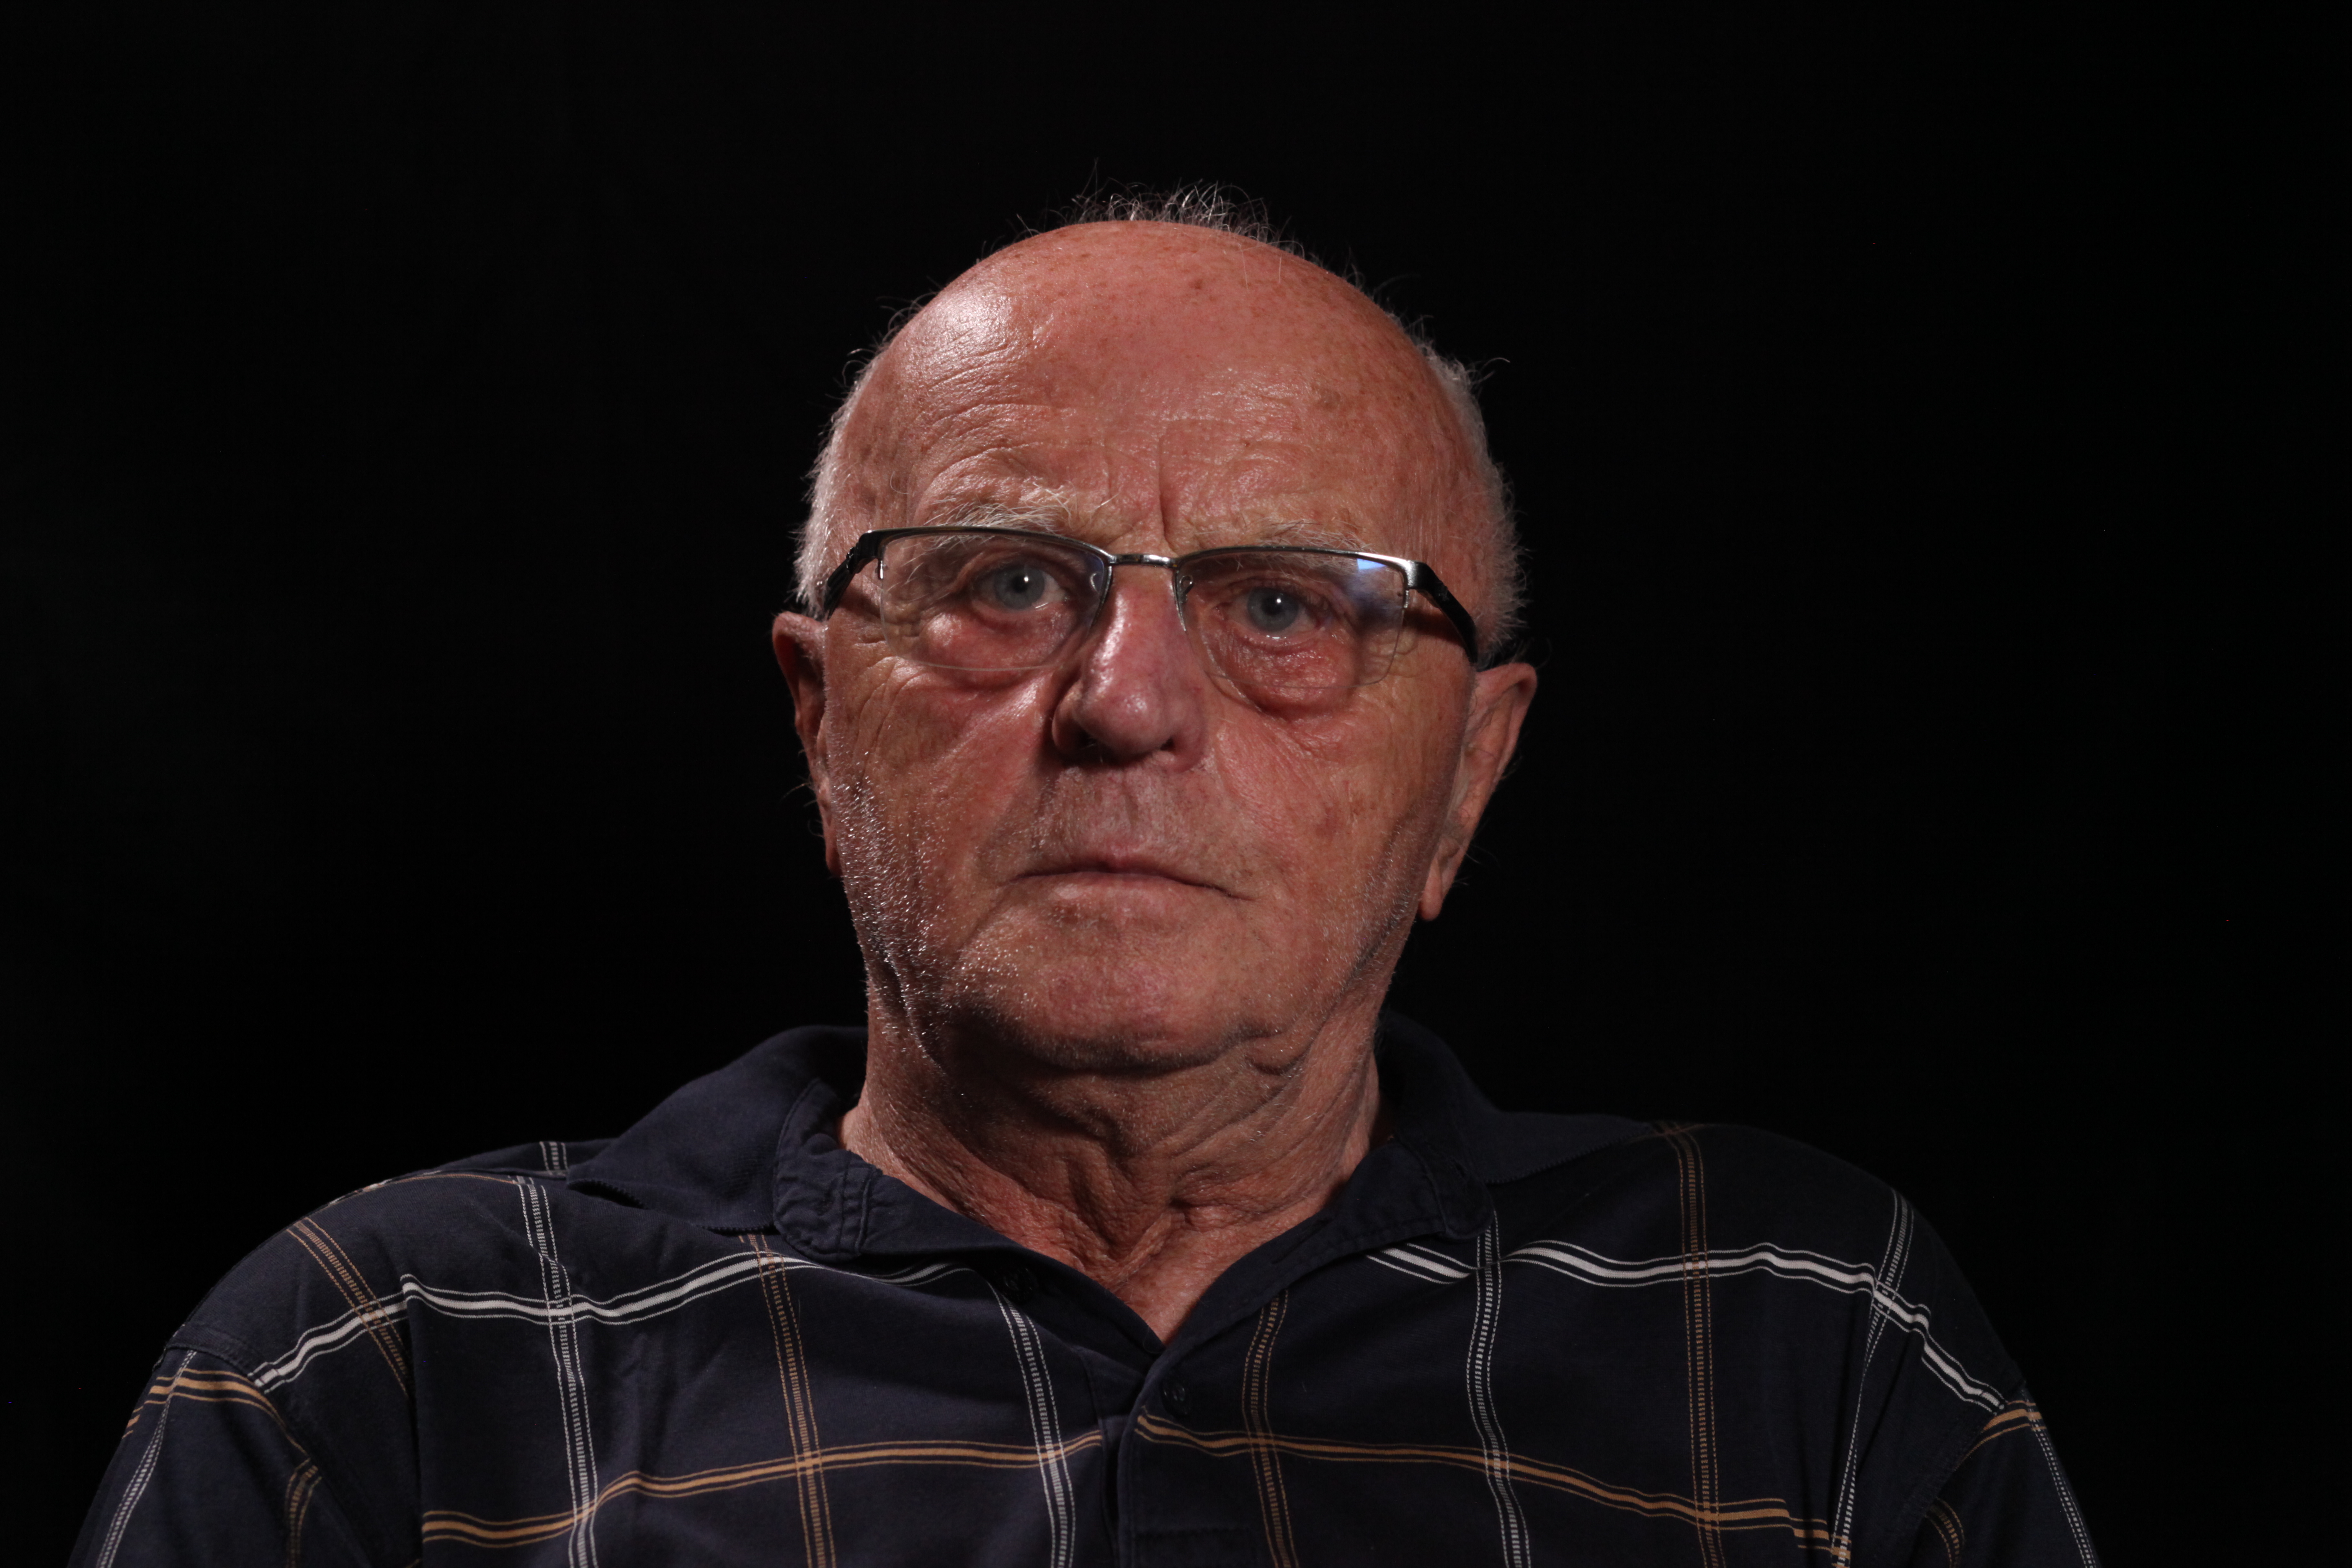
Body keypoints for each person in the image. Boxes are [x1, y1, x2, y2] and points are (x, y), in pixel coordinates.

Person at [75, 201, 2098, 1566]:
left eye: (1287, 605)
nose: (1125, 705)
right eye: (1005, 583)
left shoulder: (1796, 1339)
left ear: (1468, 779)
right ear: (821, 722)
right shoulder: (394, 1366)